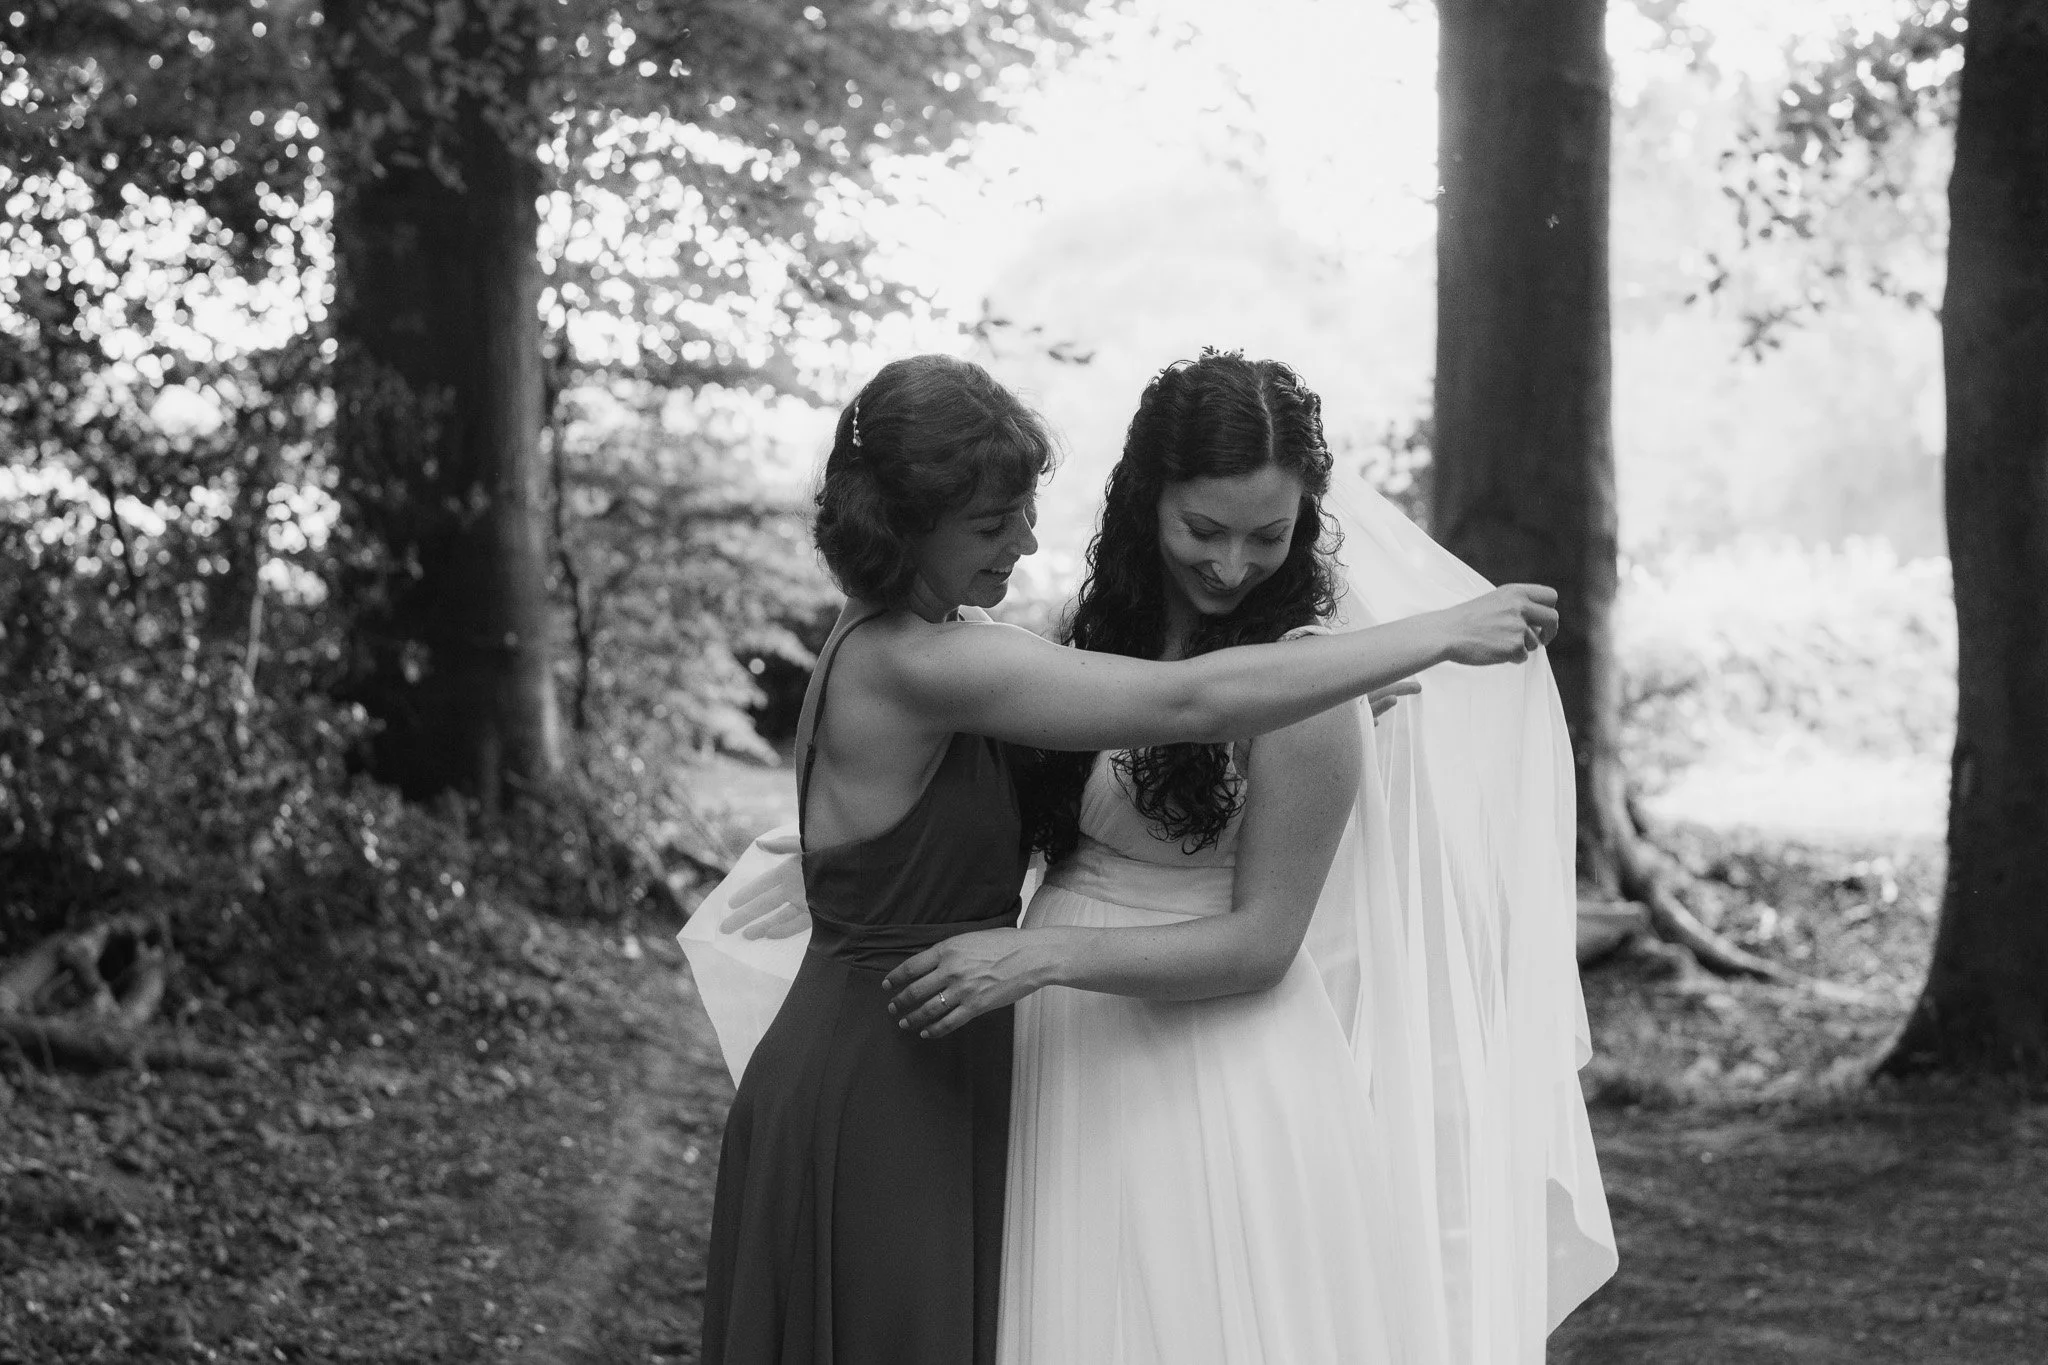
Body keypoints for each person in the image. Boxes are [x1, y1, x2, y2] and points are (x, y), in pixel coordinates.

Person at [689, 353, 1560, 1365]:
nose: (1025, 539)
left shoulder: (937, 642)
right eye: (990, 524)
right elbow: (1184, 705)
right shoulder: (935, 660)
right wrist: (1437, 634)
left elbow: (1077, 779)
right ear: (904, 526)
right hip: (899, 1070)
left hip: (984, 1054)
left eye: (1265, 535)